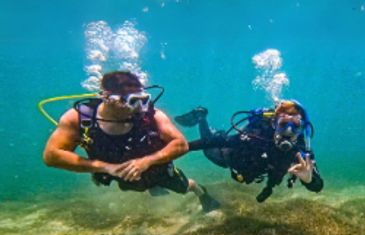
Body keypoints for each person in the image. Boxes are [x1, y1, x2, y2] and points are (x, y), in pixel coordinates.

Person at [43, 71, 220, 212]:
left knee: (182, 186)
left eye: (142, 100)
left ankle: (200, 191)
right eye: (131, 101)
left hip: (153, 167)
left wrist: (146, 162)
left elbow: (181, 144)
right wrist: (102, 167)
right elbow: (52, 155)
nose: (138, 108)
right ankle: (150, 187)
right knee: (131, 186)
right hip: (114, 169)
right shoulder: (79, 118)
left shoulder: (151, 115)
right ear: (106, 97)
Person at [175, 100, 323, 202]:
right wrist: (185, 147)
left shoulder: (300, 151)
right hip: (228, 158)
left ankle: (211, 126)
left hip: (252, 171)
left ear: (302, 129)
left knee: (216, 139)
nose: (288, 131)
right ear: (274, 123)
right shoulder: (257, 134)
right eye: (283, 124)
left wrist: (309, 180)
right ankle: (201, 118)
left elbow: (318, 185)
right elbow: (217, 142)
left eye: (295, 126)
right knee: (209, 151)